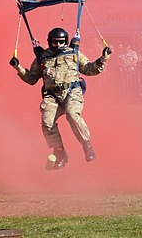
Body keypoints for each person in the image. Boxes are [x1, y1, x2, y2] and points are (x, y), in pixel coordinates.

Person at [9, 27, 111, 169]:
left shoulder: (74, 54)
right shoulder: (42, 58)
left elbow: (89, 69)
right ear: (49, 42)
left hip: (72, 92)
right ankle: (60, 153)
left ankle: (87, 145)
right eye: (55, 42)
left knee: (71, 114)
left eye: (61, 42)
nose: (58, 45)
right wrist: (18, 67)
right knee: (47, 121)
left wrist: (103, 59)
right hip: (52, 96)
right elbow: (31, 78)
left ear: (66, 41)